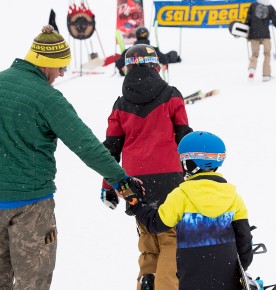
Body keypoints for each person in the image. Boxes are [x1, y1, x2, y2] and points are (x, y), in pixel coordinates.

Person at [0, 25, 142, 290]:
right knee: (33, 284)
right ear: (46, 64)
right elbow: (85, 145)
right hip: (31, 208)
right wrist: (120, 180)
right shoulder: (47, 98)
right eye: (61, 67)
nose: (62, 74)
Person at [101, 43, 192, 290]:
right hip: (170, 177)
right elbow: (183, 136)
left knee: (147, 237)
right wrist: (195, 171)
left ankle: (147, 280)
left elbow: (111, 147)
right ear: (155, 66)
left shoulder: (120, 104)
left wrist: (108, 185)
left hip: (134, 180)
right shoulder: (171, 95)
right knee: (169, 236)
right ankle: (166, 285)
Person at [120, 131, 254, 290]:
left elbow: (155, 224)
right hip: (226, 279)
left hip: (190, 279)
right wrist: (242, 267)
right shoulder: (234, 197)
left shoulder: (180, 196)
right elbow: (244, 240)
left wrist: (135, 202)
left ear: (189, 163)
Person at [245, 0, 276, 81]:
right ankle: (266, 75)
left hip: (254, 35)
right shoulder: (270, 7)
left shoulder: (253, 5)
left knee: (254, 54)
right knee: (267, 55)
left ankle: (252, 68)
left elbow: (248, 20)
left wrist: (247, 34)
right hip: (265, 35)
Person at [115, 26, 181, 76]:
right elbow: (164, 59)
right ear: (147, 35)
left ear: (137, 36)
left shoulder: (129, 51)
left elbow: (119, 64)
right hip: (150, 77)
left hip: (133, 79)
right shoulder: (152, 50)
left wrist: (123, 70)